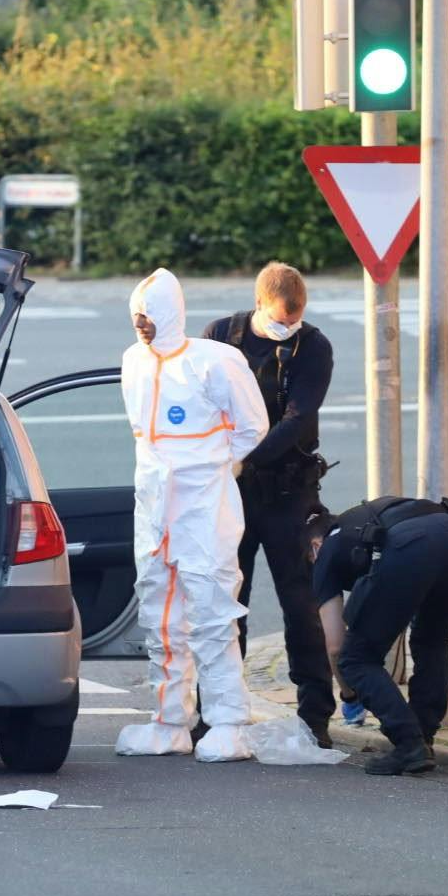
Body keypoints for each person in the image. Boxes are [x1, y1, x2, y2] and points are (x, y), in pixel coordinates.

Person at [117, 268, 270, 762]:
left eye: (149, 314)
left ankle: (228, 721)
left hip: (204, 502)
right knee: (159, 612)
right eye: (137, 315)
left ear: (170, 313)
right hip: (155, 504)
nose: (142, 324)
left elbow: (251, 426)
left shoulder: (215, 362)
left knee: (211, 610)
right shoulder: (133, 363)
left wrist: (214, 465)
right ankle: (169, 720)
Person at [203, 263, 339, 745]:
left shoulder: (314, 346)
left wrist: (245, 457)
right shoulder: (221, 336)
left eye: (295, 321)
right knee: (224, 603)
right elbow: (201, 402)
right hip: (230, 492)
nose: (288, 329)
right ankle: (217, 709)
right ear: (259, 304)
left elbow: (300, 420)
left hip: (288, 490)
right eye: (281, 321)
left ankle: (316, 715)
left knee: (301, 603)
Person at [307, 496, 448, 776]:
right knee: (433, 644)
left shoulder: (328, 548)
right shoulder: (360, 521)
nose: (312, 565)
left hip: (409, 550)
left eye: (309, 560)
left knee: (357, 658)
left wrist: (350, 694)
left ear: (314, 545)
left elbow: (335, 646)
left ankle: (409, 743)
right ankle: (424, 737)